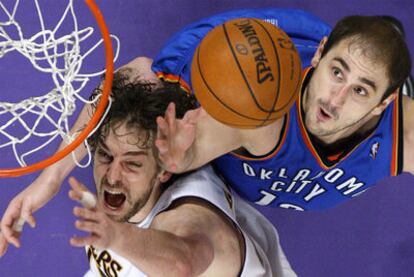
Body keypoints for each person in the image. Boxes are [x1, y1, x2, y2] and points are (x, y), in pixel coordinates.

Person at [7, 69, 297, 276]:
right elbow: (137, 68)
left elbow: (183, 263)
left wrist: (117, 237)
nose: (112, 176)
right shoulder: (137, 184)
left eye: (132, 164)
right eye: (105, 155)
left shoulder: (193, 213)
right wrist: (51, 178)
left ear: (164, 171)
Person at [153, 11, 413, 211]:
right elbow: (191, 150)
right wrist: (178, 157)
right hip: (196, 59)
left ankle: (383, 48)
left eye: (360, 91)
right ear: (319, 56)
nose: (336, 100)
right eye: (336, 73)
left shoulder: (403, 133)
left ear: (383, 103)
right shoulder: (263, 109)